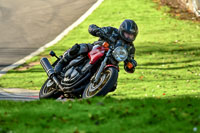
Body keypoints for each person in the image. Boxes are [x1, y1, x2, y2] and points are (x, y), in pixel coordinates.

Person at [54, 19, 138, 74]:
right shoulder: (112, 31)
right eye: (127, 34)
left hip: (111, 62)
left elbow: (129, 66)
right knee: (79, 48)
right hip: (97, 48)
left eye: (131, 35)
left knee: (113, 86)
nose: (128, 37)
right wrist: (97, 31)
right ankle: (61, 62)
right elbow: (91, 28)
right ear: (122, 30)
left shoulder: (130, 48)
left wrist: (131, 65)